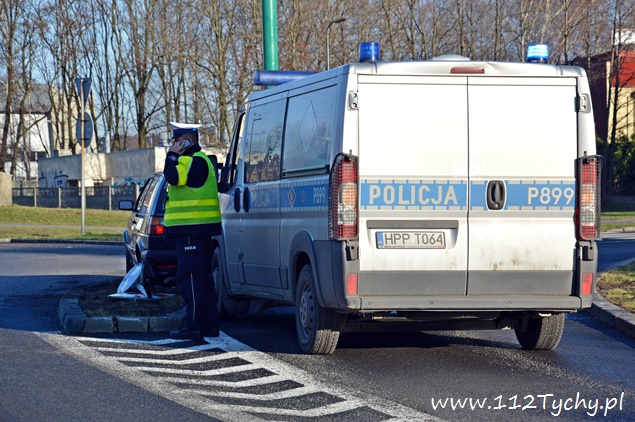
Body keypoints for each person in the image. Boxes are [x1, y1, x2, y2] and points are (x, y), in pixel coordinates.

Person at [163, 122, 222, 340]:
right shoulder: (200, 160)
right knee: (202, 278)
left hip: (191, 229)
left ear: (187, 141)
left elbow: (172, 177)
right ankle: (208, 324)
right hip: (198, 229)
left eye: (177, 141)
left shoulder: (190, 161)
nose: (173, 144)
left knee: (190, 279)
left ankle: (194, 325)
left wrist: (171, 156)